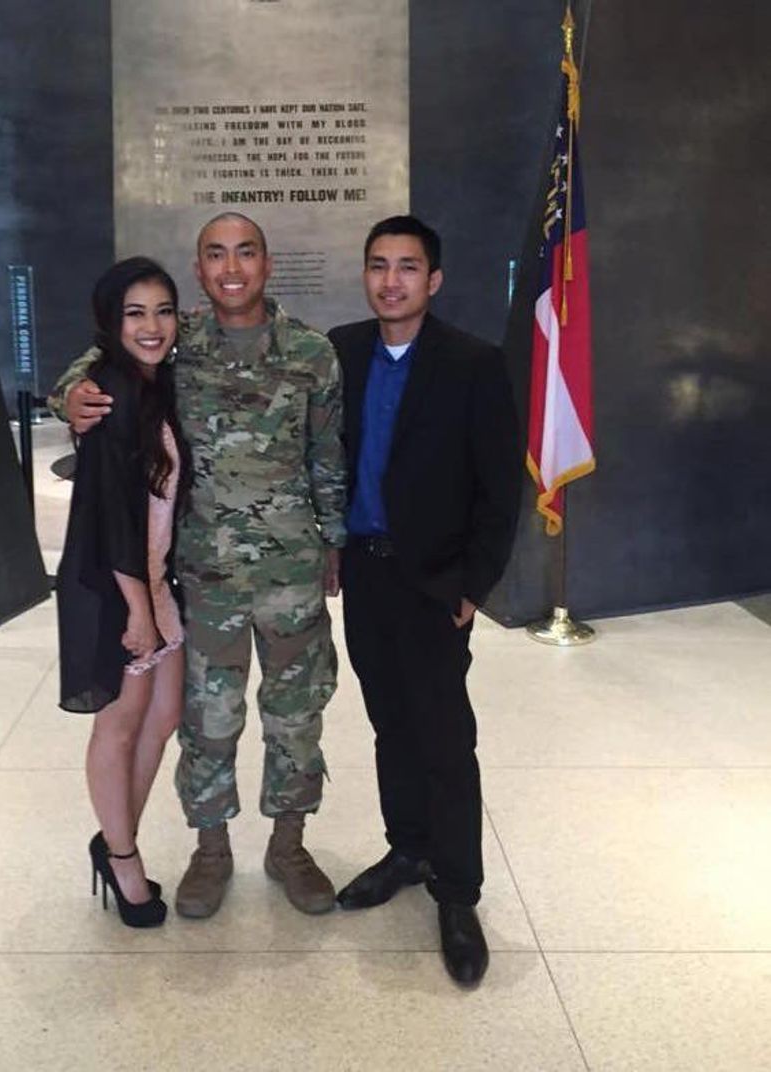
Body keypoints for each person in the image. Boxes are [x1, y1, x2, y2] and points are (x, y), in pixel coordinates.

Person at [49, 213, 346, 919]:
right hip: (205, 575)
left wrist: (335, 542)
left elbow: (327, 454)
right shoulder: (177, 339)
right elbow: (101, 360)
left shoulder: (312, 352)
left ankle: (289, 845)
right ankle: (211, 850)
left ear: (267, 264)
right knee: (207, 721)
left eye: (246, 252)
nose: (231, 268)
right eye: (216, 255)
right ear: (200, 269)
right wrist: (68, 397)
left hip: (292, 572)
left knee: (296, 715)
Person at [328, 216, 521, 986]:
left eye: (407, 267)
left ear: (433, 280)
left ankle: (458, 891)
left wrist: (473, 587)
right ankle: (407, 849)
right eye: (378, 265)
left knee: (444, 737)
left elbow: (499, 489)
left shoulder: (473, 364)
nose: (391, 281)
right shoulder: (341, 352)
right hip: (365, 574)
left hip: (436, 584)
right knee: (389, 724)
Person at [56, 257, 192, 929]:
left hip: (156, 579)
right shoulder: (109, 394)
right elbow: (112, 513)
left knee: (163, 716)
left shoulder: (154, 384)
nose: (152, 326)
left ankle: (115, 837)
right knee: (120, 723)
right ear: (111, 322)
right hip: (120, 586)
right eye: (135, 313)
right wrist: (138, 610)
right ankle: (123, 856)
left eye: (163, 311)